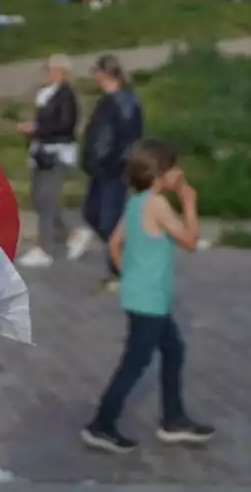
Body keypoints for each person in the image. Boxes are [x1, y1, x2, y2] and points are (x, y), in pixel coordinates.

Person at [81, 139, 214, 453]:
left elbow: (114, 244)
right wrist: (189, 201)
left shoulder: (136, 201)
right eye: (174, 168)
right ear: (160, 174)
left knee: (173, 350)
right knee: (136, 362)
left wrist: (129, 276)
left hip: (141, 295)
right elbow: (191, 242)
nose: (179, 173)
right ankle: (101, 424)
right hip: (150, 300)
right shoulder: (157, 204)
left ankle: (174, 419)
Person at [79, 54, 144, 290]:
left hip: (114, 170)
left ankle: (121, 269)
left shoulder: (125, 101)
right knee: (92, 214)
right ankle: (124, 257)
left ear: (106, 74)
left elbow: (128, 139)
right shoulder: (106, 101)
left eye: (96, 72)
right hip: (99, 169)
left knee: (110, 219)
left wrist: (119, 164)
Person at [16, 54, 80, 268]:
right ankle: (67, 233)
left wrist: (37, 129)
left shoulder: (66, 96)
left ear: (61, 72)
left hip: (57, 152)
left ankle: (44, 248)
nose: (47, 73)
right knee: (38, 194)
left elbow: (65, 125)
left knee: (47, 196)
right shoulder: (46, 94)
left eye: (50, 69)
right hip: (42, 151)